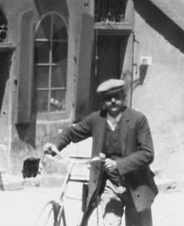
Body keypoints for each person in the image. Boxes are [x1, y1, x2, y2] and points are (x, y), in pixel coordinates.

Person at [43, 78, 157, 226]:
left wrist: (118, 165)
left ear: (124, 96)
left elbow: (147, 153)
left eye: (117, 96)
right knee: (109, 223)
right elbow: (72, 132)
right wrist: (55, 144)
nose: (114, 101)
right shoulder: (97, 119)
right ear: (103, 101)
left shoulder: (138, 119)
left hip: (136, 186)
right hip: (110, 185)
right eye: (109, 98)